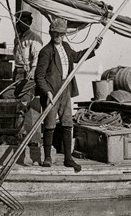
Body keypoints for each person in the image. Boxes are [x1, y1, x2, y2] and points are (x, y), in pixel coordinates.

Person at [35, 17, 101, 172]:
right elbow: (39, 76)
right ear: (51, 33)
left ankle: (68, 159)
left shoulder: (65, 46)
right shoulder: (46, 52)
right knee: (50, 125)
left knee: (67, 124)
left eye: (61, 34)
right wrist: (48, 92)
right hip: (52, 92)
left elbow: (77, 57)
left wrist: (94, 47)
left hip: (65, 90)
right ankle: (47, 158)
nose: (59, 36)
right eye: (56, 33)